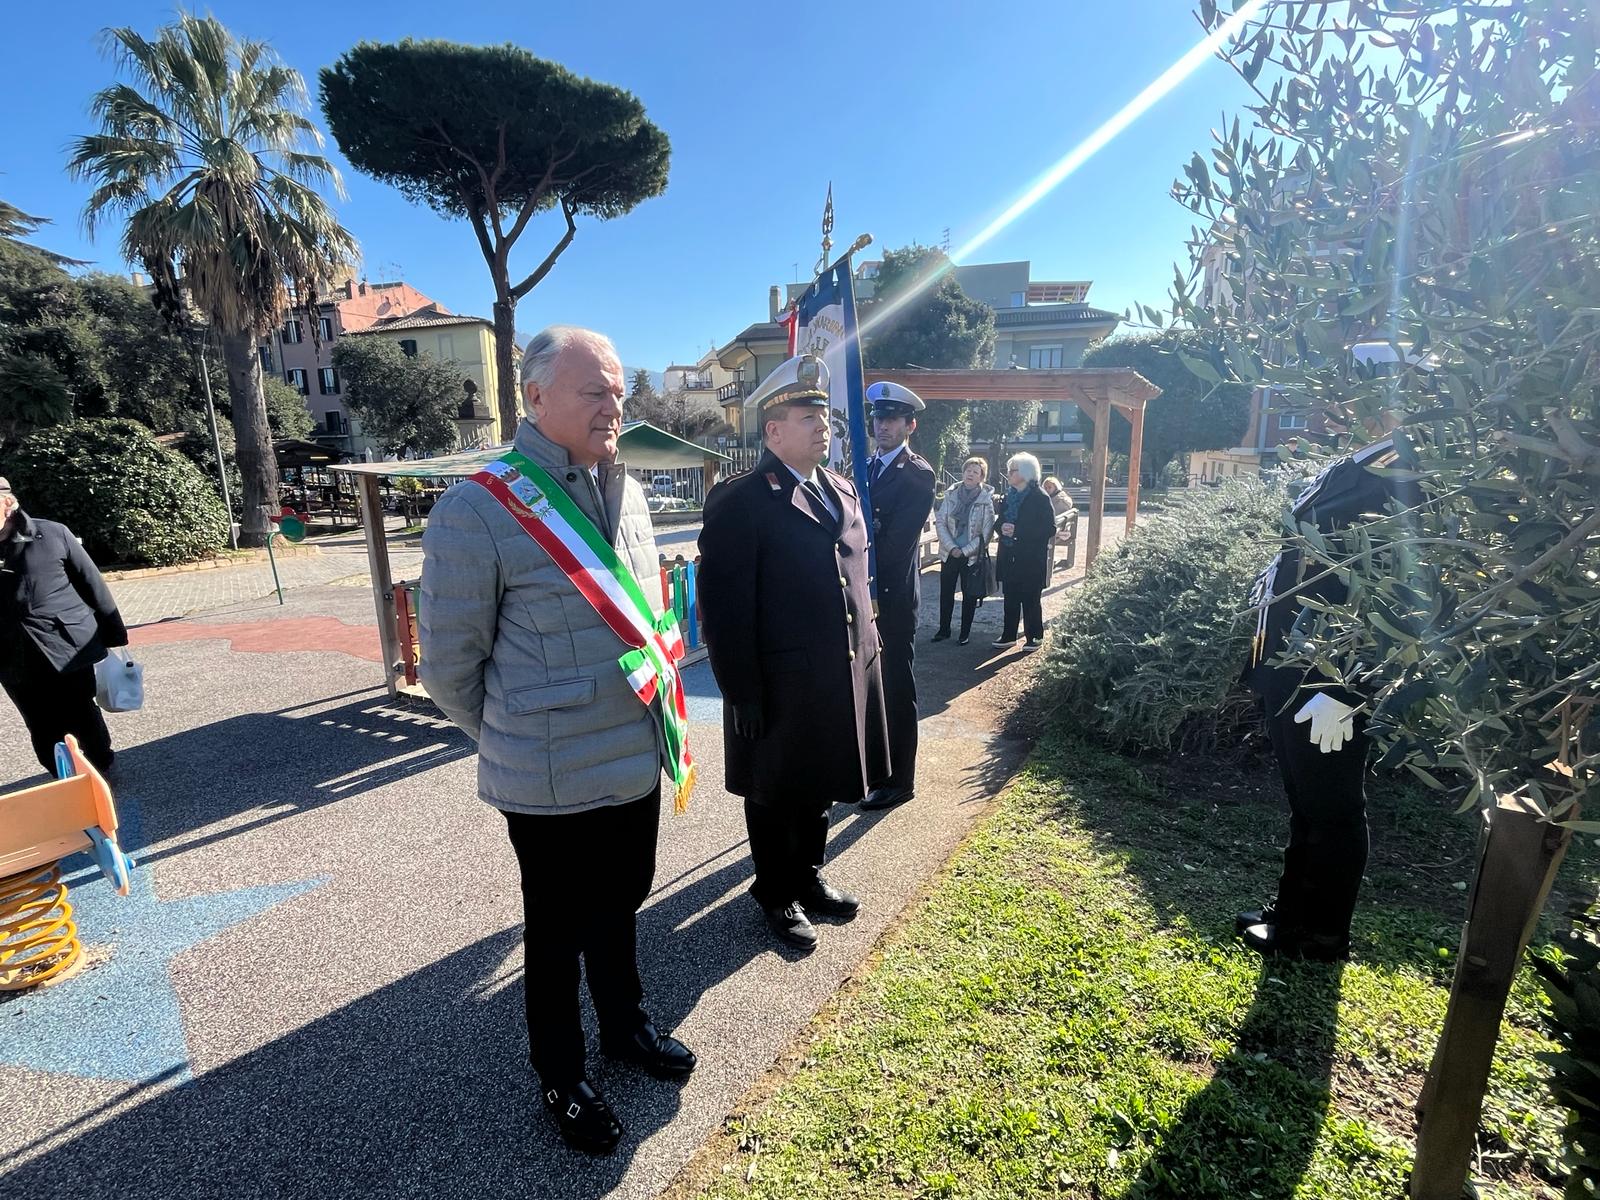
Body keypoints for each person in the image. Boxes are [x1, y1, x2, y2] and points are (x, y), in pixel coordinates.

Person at [420, 325, 696, 1156]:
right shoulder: (478, 508)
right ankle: (561, 1073)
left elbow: (646, 624)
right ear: (536, 397)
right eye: (594, 389)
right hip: (548, 778)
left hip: (634, 759)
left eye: (617, 388)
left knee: (624, 904)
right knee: (556, 931)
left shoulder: (633, 493)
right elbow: (448, 669)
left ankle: (625, 1028)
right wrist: (514, 735)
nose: (614, 403)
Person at [697, 353, 890, 952]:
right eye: (808, 415)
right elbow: (724, 608)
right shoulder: (743, 500)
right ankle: (774, 891)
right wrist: (742, 691)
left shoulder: (842, 490)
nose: (823, 424)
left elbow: (857, 579)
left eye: (824, 415)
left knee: (823, 779)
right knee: (775, 788)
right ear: (773, 430)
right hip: (777, 678)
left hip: (843, 669)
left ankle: (807, 876)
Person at [1237, 436, 1418, 962]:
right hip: (1290, 666)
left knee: (1333, 807)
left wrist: (1347, 689)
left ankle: (1323, 933)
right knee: (1306, 804)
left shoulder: (1398, 468)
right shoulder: (1362, 461)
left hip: (1328, 678)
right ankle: (1292, 914)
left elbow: (1389, 588)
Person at [0, 477, 126, 775]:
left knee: (80, 710)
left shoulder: (52, 533)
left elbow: (91, 583)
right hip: (9, 653)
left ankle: (100, 764)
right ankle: (62, 775)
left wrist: (113, 631)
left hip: (66, 645)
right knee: (39, 719)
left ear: (7, 502)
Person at [859, 381, 935, 812]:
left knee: (895, 687)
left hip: (890, 595)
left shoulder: (917, 474)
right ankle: (875, 771)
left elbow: (895, 546)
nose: (882, 426)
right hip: (864, 593)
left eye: (891, 419)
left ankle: (900, 780)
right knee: (870, 687)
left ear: (910, 425)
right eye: (877, 418)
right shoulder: (867, 466)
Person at [991, 453, 1056, 651]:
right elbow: (1000, 521)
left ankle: (1034, 636)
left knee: (1030, 599)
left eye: (1013, 470)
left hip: (1030, 558)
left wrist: (1018, 531)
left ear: (1026, 473)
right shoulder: (1009, 495)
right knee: (1010, 597)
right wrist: (1001, 528)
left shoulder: (1040, 496)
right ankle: (1009, 635)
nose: (1009, 474)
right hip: (1010, 555)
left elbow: (1049, 528)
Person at [932, 457, 996, 646]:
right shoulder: (951, 495)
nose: (970, 474)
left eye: (976, 472)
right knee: (946, 593)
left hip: (971, 556)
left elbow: (987, 532)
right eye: (968, 470)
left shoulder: (986, 500)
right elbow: (941, 521)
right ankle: (944, 629)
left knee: (969, 595)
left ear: (981, 477)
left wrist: (966, 550)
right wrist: (951, 548)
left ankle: (964, 633)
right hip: (949, 552)